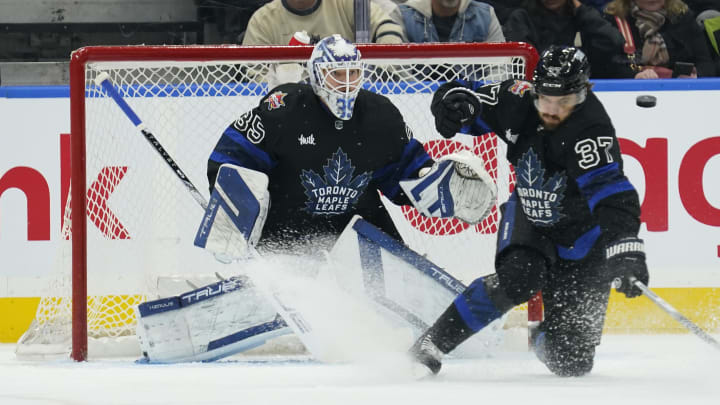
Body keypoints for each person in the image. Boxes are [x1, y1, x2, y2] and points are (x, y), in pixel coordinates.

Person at [408, 46, 649, 377]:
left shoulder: (591, 131)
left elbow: (612, 194)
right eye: (545, 97)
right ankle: (430, 343)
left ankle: (541, 336)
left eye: (563, 100)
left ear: (585, 91)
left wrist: (625, 248)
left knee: (573, 363)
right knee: (520, 278)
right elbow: (465, 96)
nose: (551, 109)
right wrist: (449, 104)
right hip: (530, 214)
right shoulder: (517, 99)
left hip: (583, 237)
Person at [206, 34, 495, 254]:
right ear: (318, 75)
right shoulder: (284, 109)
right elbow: (230, 157)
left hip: (358, 221)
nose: (346, 84)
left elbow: (405, 173)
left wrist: (435, 183)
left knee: (399, 293)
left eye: (352, 74)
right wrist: (234, 205)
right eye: (337, 75)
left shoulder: (380, 114)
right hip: (288, 226)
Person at [594, 0, 717, 78]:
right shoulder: (612, 19)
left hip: (680, 95)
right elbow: (600, 67)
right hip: (629, 96)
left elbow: (706, 63)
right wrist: (634, 76)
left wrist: (696, 76)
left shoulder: (683, 17)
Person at [502, 0, 626, 76]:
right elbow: (521, 64)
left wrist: (581, 9)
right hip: (539, 89)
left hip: (580, 87)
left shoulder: (580, 15)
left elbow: (614, 41)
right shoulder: (521, 18)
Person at [241, 0, 405, 45]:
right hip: (291, 106)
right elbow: (254, 75)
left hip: (347, 92)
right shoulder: (262, 20)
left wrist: (383, 68)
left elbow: (387, 27)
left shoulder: (345, 2)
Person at [393, 0, 506, 43]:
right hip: (416, 93)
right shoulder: (402, 15)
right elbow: (394, 68)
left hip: (473, 93)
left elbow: (500, 65)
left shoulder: (486, 15)